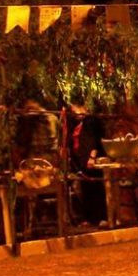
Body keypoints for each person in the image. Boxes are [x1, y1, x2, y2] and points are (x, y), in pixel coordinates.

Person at [68, 97, 107, 227]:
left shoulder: (91, 120)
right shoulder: (76, 124)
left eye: (75, 109)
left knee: (96, 187)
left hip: (90, 159)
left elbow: (95, 140)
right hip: (80, 160)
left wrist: (92, 157)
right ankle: (89, 218)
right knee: (85, 189)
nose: (74, 113)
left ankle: (102, 217)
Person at [12, 97, 61, 166]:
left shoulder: (51, 119)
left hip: (48, 160)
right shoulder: (24, 121)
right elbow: (18, 146)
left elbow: (57, 145)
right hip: (30, 160)